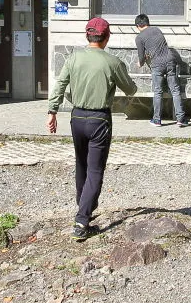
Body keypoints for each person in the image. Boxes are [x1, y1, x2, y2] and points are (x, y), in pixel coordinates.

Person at [47, 17, 138, 241]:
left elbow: (60, 84)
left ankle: (84, 206)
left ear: (88, 36)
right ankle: (81, 219)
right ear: (106, 37)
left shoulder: (73, 57)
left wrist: (52, 110)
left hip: (76, 117)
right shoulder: (112, 62)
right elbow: (130, 89)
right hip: (100, 120)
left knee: (81, 164)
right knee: (95, 170)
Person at [134, 14, 191, 127]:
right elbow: (158, 46)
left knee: (158, 92)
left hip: (157, 64)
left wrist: (140, 63)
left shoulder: (139, 37)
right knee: (175, 90)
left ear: (138, 26)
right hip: (170, 61)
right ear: (148, 23)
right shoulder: (157, 30)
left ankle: (157, 120)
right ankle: (181, 119)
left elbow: (141, 56)